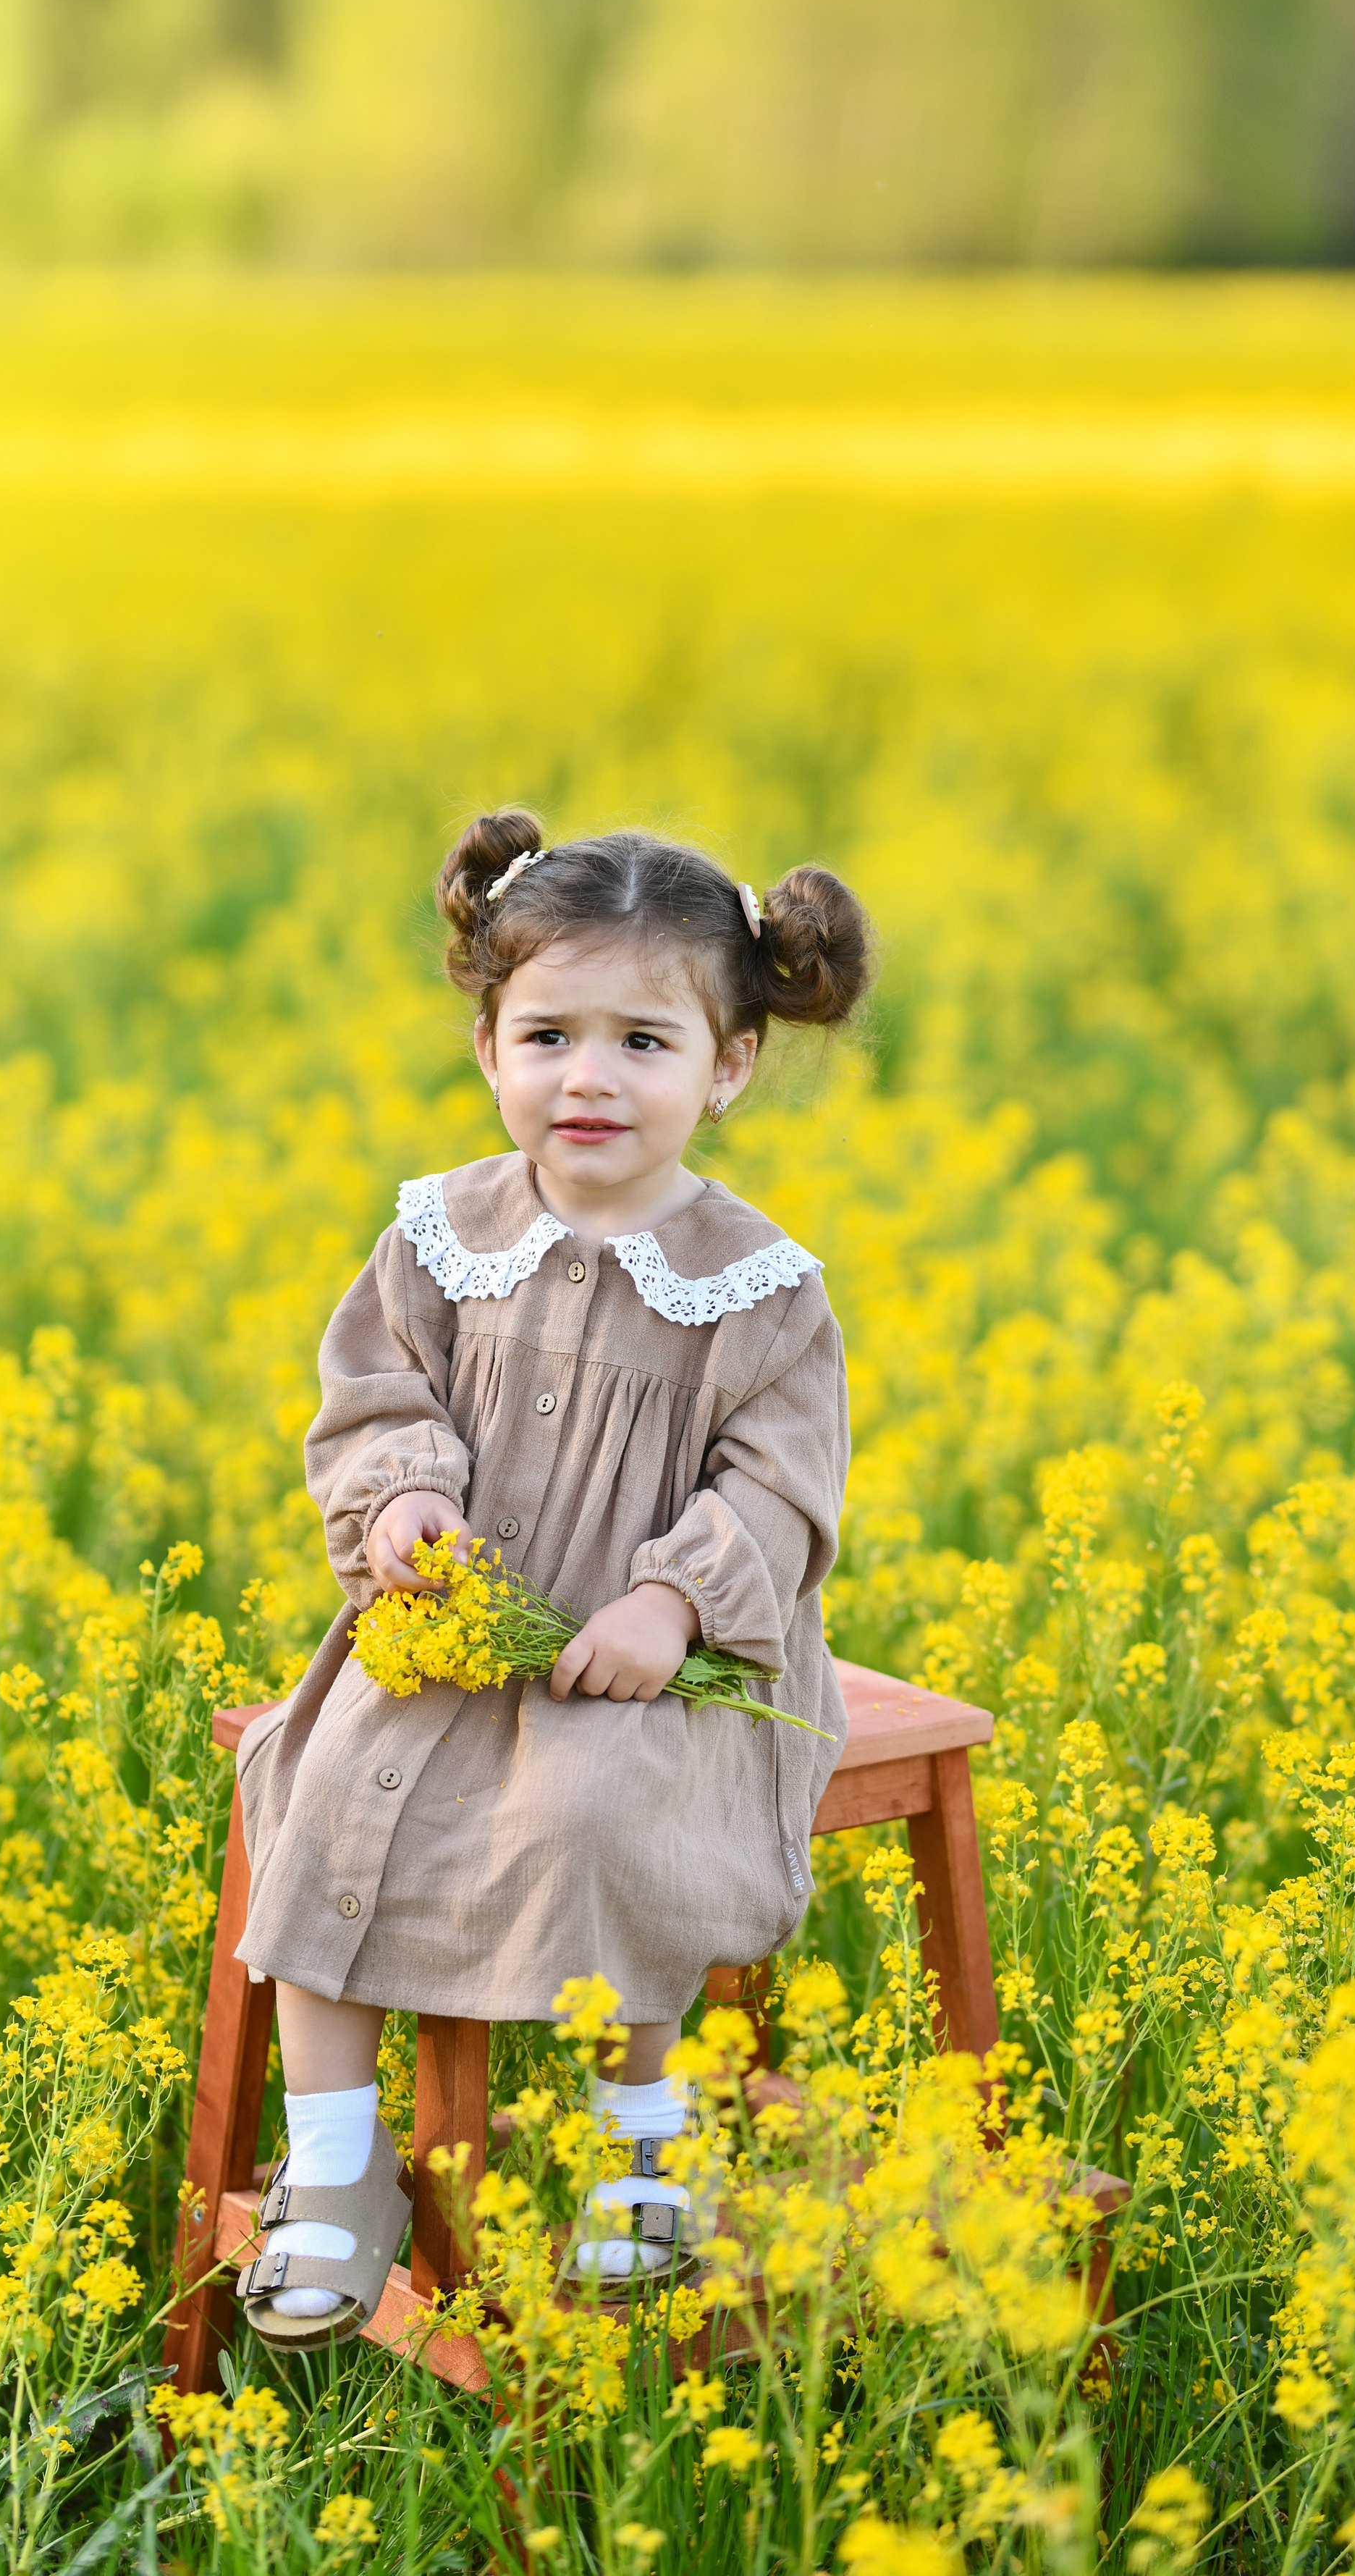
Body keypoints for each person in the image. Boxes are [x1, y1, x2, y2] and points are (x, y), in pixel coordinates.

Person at [229, 811, 870, 2347]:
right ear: (487, 1048)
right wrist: (400, 1514)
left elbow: (781, 1488)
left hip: (633, 1658)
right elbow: (376, 1398)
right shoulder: (439, 1235)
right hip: (456, 1639)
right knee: (311, 1797)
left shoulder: (757, 1289)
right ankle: (336, 2169)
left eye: (642, 1039)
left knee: (603, 1819)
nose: (588, 1077)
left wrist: (674, 1603)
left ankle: (644, 2151)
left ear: (726, 1066)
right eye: (548, 1035)